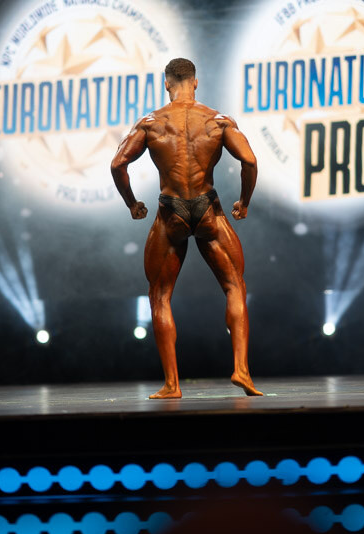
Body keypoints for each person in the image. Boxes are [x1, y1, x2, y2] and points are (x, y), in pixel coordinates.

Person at [111, 57, 262, 399]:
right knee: (234, 286)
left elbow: (118, 163)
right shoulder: (217, 120)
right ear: (195, 82)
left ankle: (172, 384)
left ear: (167, 84)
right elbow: (249, 160)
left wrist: (132, 203)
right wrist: (244, 201)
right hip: (208, 208)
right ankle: (241, 370)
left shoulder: (150, 123)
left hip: (171, 211)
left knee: (160, 295)